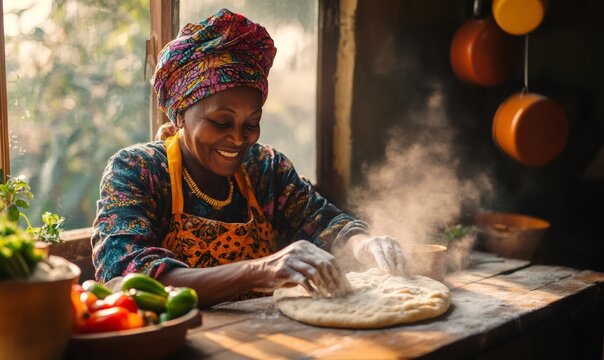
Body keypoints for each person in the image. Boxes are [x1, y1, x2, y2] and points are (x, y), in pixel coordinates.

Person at [91, 8, 405, 308]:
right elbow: (125, 280)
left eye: (252, 123)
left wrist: (363, 243)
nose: (240, 138)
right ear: (180, 115)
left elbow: (324, 223)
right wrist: (258, 271)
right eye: (221, 122)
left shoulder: (265, 168)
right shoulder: (138, 171)